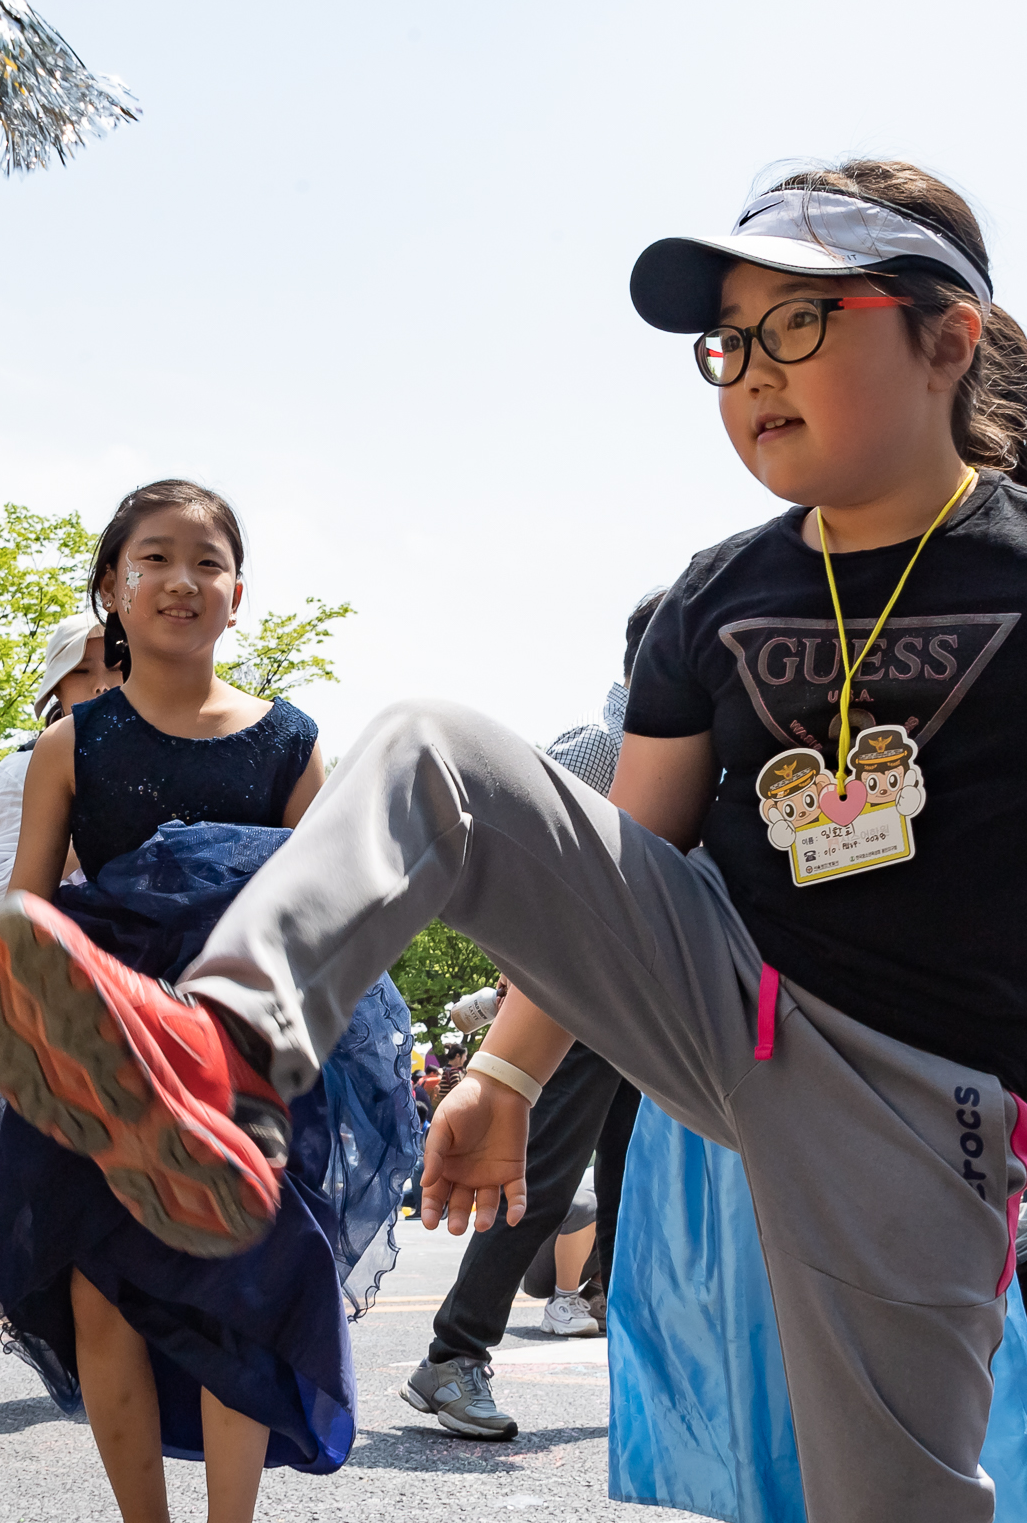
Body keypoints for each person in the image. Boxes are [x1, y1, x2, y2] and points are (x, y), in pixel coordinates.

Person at [0, 163, 1027, 1520]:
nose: (750, 373)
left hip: (916, 1098)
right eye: (730, 345)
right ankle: (222, 1051)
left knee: (894, 1502)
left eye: (799, 327)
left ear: (947, 341)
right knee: (433, 743)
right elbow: (620, 858)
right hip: (726, 1006)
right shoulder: (717, 594)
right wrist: (506, 1070)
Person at [0, 477, 419, 1523]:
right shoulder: (68, 746)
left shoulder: (295, 741)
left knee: (241, 1290)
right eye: (155, 559)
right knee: (101, 1293)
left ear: (239, 594)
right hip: (106, 1054)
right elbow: (28, 920)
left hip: (247, 1051)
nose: (182, 580)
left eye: (207, 561)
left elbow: (340, 905)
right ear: (112, 592)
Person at [407, 597, 662, 1437]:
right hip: (581, 993)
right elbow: (514, 858)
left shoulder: (703, 747)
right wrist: (520, 982)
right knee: (543, 1175)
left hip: (660, 999)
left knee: (639, 1183)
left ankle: (647, 1364)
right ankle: (454, 1354)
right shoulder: (600, 745)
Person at [0, 612, 125, 1400]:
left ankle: (104, 1341)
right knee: (10, 1163)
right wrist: (73, 847)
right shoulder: (26, 767)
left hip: (136, 996)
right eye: (83, 672)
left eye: (112, 667)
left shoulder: (157, 755)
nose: (102, 685)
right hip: (44, 998)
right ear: (55, 687)